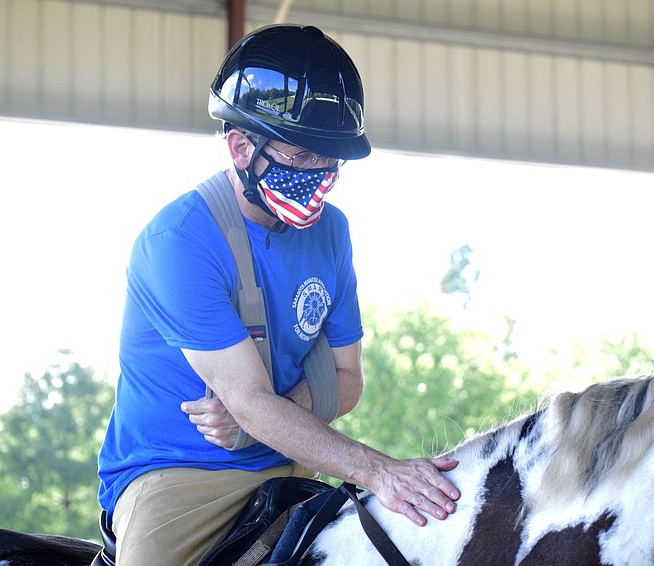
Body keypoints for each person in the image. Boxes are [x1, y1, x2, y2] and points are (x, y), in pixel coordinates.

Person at [96, 24, 460, 565]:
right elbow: (249, 400)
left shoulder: (331, 231)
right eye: (300, 156)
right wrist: (377, 469)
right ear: (242, 146)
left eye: (328, 159)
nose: (319, 175)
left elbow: (348, 380)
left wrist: (272, 416)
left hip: (294, 463)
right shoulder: (178, 241)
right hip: (177, 476)